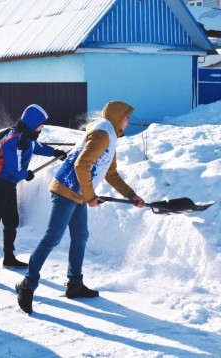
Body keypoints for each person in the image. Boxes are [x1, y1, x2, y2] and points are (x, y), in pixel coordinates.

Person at [15, 100, 145, 314]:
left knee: (80, 236)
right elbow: (81, 164)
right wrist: (91, 196)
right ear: (117, 116)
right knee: (52, 238)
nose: (128, 122)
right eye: (127, 117)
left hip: (78, 192)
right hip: (66, 189)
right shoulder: (103, 134)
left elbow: (109, 172)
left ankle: (74, 283)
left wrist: (131, 195)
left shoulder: (109, 136)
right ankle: (27, 285)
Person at [0, 104, 67, 280]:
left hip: (9, 184)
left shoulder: (27, 136)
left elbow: (38, 148)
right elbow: (12, 167)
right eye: (41, 123)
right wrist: (26, 174)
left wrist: (55, 152)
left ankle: (8, 258)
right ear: (33, 122)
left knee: (11, 221)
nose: (42, 127)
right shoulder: (12, 138)